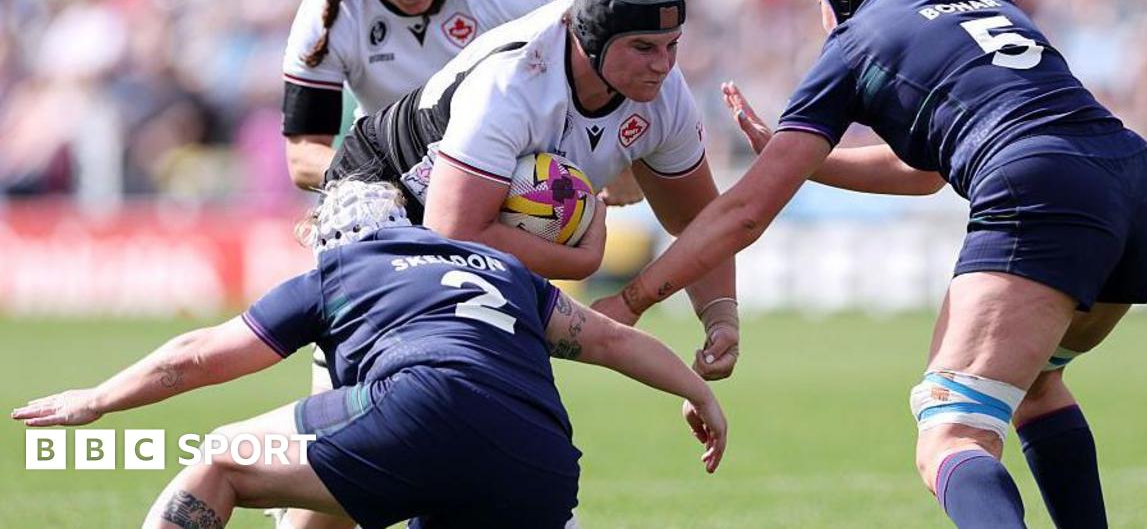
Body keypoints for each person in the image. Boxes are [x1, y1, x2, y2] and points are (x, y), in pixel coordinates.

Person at [593, 0, 1147, 528]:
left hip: (1044, 191)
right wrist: (803, 161)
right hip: (1137, 184)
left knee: (952, 430)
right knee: (1033, 385)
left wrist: (631, 301)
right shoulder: (981, 3)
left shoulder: (857, 35)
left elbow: (743, 214)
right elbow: (928, 173)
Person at [12, 179, 726, 529]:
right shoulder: (501, 269)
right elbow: (609, 338)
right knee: (351, 482)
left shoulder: (339, 270)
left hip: (424, 407)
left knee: (223, 458)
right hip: (542, 464)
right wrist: (699, 392)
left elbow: (196, 355)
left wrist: (98, 397)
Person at [327, 0, 741, 381]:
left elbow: (700, 222)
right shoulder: (514, 81)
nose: (663, 65)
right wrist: (582, 262)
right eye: (643, 47)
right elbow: (453, 232)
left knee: (500, 393)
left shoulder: (665, 96)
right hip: (377, 198)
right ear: (593, 38)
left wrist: (720, 316)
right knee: (432, 392)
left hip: (460, 231)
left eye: (672, 44)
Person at [280, 0, 645, 206]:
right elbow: (303, 157)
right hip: (386, 187)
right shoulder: (332, 11)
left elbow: (604, 32)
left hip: (496, 179)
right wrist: (380, 186)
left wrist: (623, 158)